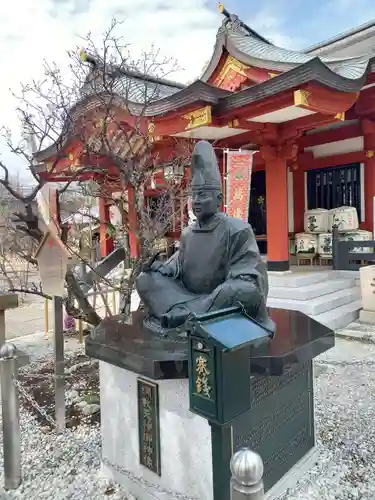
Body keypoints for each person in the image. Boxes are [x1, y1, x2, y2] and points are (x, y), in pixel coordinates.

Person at [136, 140, 274, 334]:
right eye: (194, 196)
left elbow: (249, 276)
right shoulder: (187, 233)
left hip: (217, 297)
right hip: (186, 297)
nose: (197, 201)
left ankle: (188, 314)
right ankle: (188, 313)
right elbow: (177, 265)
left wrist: (227, 289)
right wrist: (161, 268)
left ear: (219, 199)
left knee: (242, 291)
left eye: (203, 195)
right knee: (145, 279)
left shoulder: (236, 229)